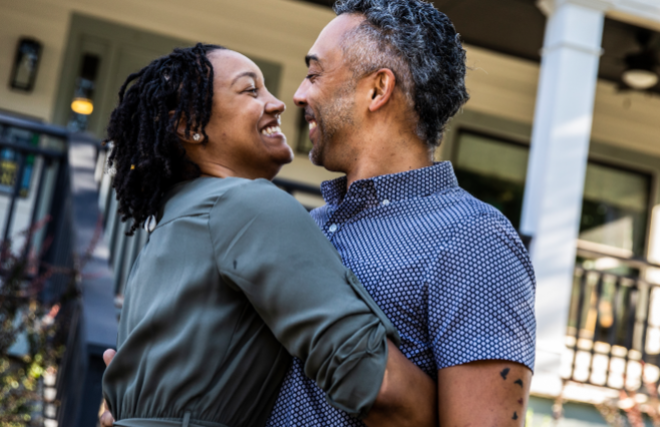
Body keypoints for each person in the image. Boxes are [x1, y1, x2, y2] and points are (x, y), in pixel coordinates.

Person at [99, 43, 437, 427]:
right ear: (190, 126)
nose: (278, 103)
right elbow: (384, 389)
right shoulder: (247, 205)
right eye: (250, 91)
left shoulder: (174, 226)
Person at [264, 1, 537, 426]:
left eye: (315, 74)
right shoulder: (309, 227)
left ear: (377, 89)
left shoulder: (474, 240)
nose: (298, 95)